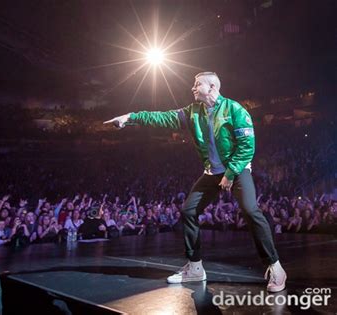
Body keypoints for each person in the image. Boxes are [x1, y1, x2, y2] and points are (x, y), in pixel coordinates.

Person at [104, 72, 286, 292]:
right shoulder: (192, 112)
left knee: (250, 210)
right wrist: (130, 116)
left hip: (237, 170)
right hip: (212, 173)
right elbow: (160, 117)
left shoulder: (235, 110)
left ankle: (275, 266)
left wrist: (230, 174)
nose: (192, 87)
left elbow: (247, 147)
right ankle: (195, 267)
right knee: (189, 211)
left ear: (212, 88)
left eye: (197, 84)